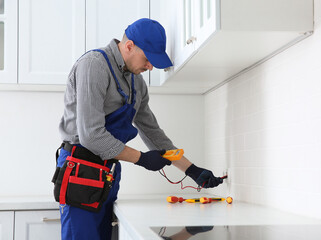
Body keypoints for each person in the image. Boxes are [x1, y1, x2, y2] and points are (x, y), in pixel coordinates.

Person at [55, 18, 223, 240]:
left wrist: (192, 170)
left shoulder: (137, 83)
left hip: (108, 174)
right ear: (129, 46)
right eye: (148, 59)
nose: (150, 66)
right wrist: (142, 158)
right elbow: (92, 136)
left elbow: (153, 133)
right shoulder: (94, 65)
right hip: (80, 172)